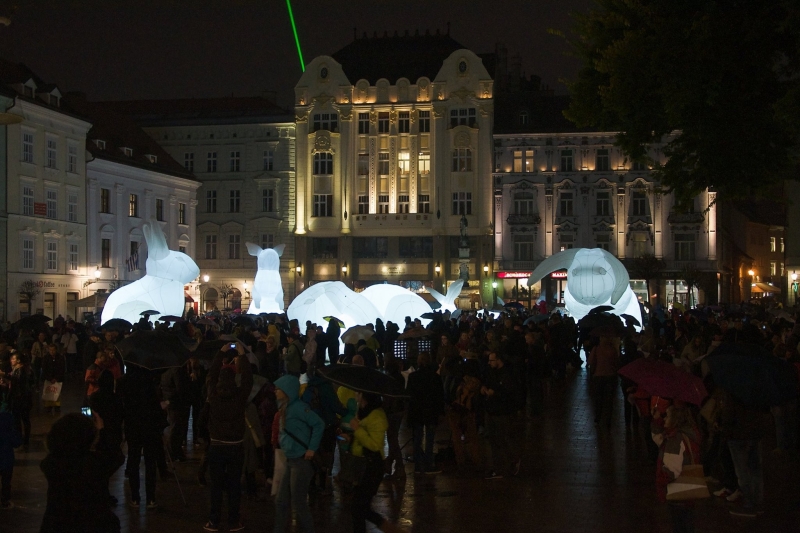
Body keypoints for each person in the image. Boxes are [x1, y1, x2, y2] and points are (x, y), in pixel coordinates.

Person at [39, 412, 125, 533]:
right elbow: (116, 456)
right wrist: (102, 431)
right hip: (94, 524)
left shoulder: (52, 463)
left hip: (58, 523)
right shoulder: (94, 464)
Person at [204, 344, 252, 532]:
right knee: (234, 485)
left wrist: (220, 353)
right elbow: (248, 380)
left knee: (215, 485)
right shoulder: (239, 396)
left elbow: (210, 376)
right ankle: (233, 520)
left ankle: (214, 520)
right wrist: (243, 356)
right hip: (235, 445)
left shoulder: (213, 394)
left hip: (216, 444)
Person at [341, 391, 405, 533]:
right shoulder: (362, 412)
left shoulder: (377, 416)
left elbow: (375, 445)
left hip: (372, 467)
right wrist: (350, 437)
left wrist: (357, 429)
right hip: (361, 465)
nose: (356, 396)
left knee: (358, 507)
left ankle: (390, 529)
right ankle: (390, 529)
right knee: (359, 508)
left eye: (359, 394)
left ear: (366, 397)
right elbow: (362, 438)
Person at [273, 374, 324, 533]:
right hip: (291, 460)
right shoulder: (285, 407)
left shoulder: (298, 408)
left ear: (287, 391)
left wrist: (312, 448)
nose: (275, 391)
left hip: (300, 461)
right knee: (282, 501)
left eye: (278, 389)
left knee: (298, 503)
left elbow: (319, 424)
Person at [118, 365, 164, 509]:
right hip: (149, 425)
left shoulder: (124, 381)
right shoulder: (149, 380)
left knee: (133, 460)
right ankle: (150, 498)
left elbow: (121, 404)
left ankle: (135, 497)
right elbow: (155, 405)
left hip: (132, 425)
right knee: (150, 462)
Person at [651, 405, 701, 533]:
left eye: (667, 416)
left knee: (680, 525)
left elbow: (672, 470)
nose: (665, 418)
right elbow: (659, 438)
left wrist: (660, 482)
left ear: (675, 419)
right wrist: (657, 420)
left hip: (677, 491)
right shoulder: (688, 434)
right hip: (689, 490)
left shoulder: (675, 439)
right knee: (688, 522)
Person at [481, 352, 519, 479]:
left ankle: (511, 462)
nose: (489, 363)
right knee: (493, 440)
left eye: (491, 360)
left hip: (502, 411)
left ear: (499, 360)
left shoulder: (507, 374)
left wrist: (495, 393)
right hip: (491, 410)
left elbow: (509, 393)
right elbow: (487, 382)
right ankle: (498, 467)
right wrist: (484, 387)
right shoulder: (491, 372)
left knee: (504, 438)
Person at [406, 352, 444, 474]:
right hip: (430, 411)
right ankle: (428, 464)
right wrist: (440, 412)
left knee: (417, 439)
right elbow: (440, 396)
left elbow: (409, 395)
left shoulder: (413, 377)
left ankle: (418, 465)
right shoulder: (435, 377)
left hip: (417, 411)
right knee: (430, 438)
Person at [588, 335, 620, 428]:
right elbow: (616, 363)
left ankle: (598, 418)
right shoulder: (612, 350)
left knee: (598, 398)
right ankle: (608, 420)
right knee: (609, 399)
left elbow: (590, 361)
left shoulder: (596, 349)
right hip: (610, 376)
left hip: (598, 376)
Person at [7, 353, 33, 448]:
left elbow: (17, 382)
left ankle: (23, 440)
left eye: (13, 359)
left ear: (18, 360)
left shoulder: (20, 370)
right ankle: (24, 439)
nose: (11, 360)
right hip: (23, 398)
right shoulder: (19, 369)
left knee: (20, 420)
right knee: (23, 420)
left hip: (20, 399)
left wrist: (5, 376)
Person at [0, 411, 22, 509]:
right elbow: (17, 442)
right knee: (6, 482)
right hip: (7, 462)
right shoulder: (10, 433)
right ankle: (5, 501)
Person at [41, 344, 66, 415]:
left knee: (57, 393)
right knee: (49, 392)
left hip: (57, 378)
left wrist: (56, 378)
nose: (52, 351)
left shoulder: (60, 358)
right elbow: (44, 369)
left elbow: (62, 369)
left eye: (53, 350)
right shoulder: (46, 358)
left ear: (56, 350)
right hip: (49, 378)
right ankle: (49, 406)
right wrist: (49, 378)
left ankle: (57, 406)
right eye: (50, 350)